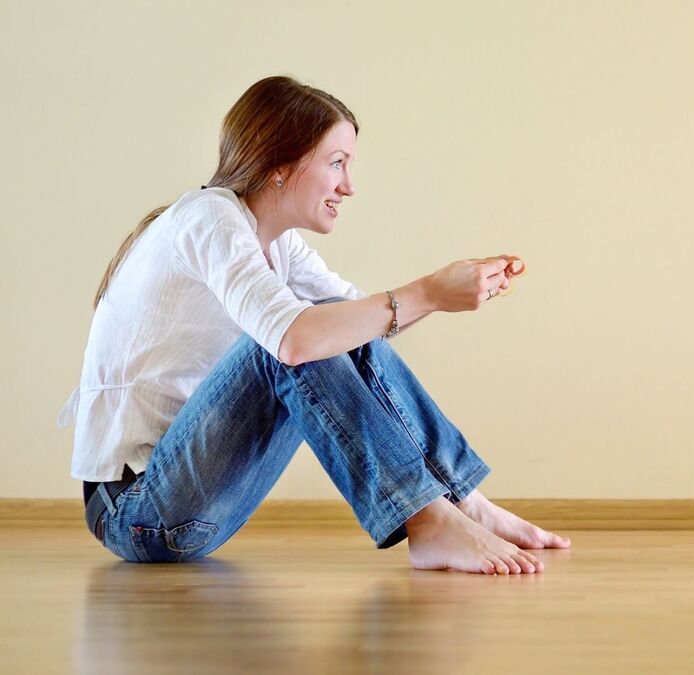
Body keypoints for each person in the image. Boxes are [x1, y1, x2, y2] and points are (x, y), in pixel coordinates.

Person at [58, 75, 569, 574]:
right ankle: (428, 520)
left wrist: (446, 292)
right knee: (287, 343)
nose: (349, 186)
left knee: (337, 326)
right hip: (137, 511)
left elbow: (365, 322)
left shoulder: (276, 242)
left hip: (191, 503)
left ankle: (461, 501)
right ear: (280, 165)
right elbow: (295, 339)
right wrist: (429, 291)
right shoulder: (208, 217)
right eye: (336, 163)